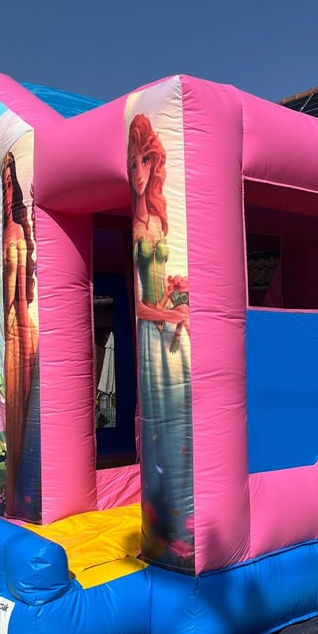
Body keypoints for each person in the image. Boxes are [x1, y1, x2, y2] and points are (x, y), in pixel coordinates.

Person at [128, 114, 193, 570]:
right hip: (154, 334)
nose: (137, 173)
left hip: (171, 331)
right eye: (132, 164)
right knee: (162, 425)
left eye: (143, 163)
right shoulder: (136, 224)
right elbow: (140, 302)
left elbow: (160, 285)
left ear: (153, 163)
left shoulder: (156, 214)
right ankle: (168, 526)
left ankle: (184, 522)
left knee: (183, 420)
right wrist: (168, 311)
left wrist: (177, 298)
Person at [1, 152, 41, 519]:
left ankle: (18, 488)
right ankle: (20, 488)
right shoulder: (22, 231)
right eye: (6, 184)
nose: (8, 190)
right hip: (24, 324)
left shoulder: (14, 233)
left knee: (21, 404)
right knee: (24, 403)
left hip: (19, 325)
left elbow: (14, 297)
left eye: (9, 183)